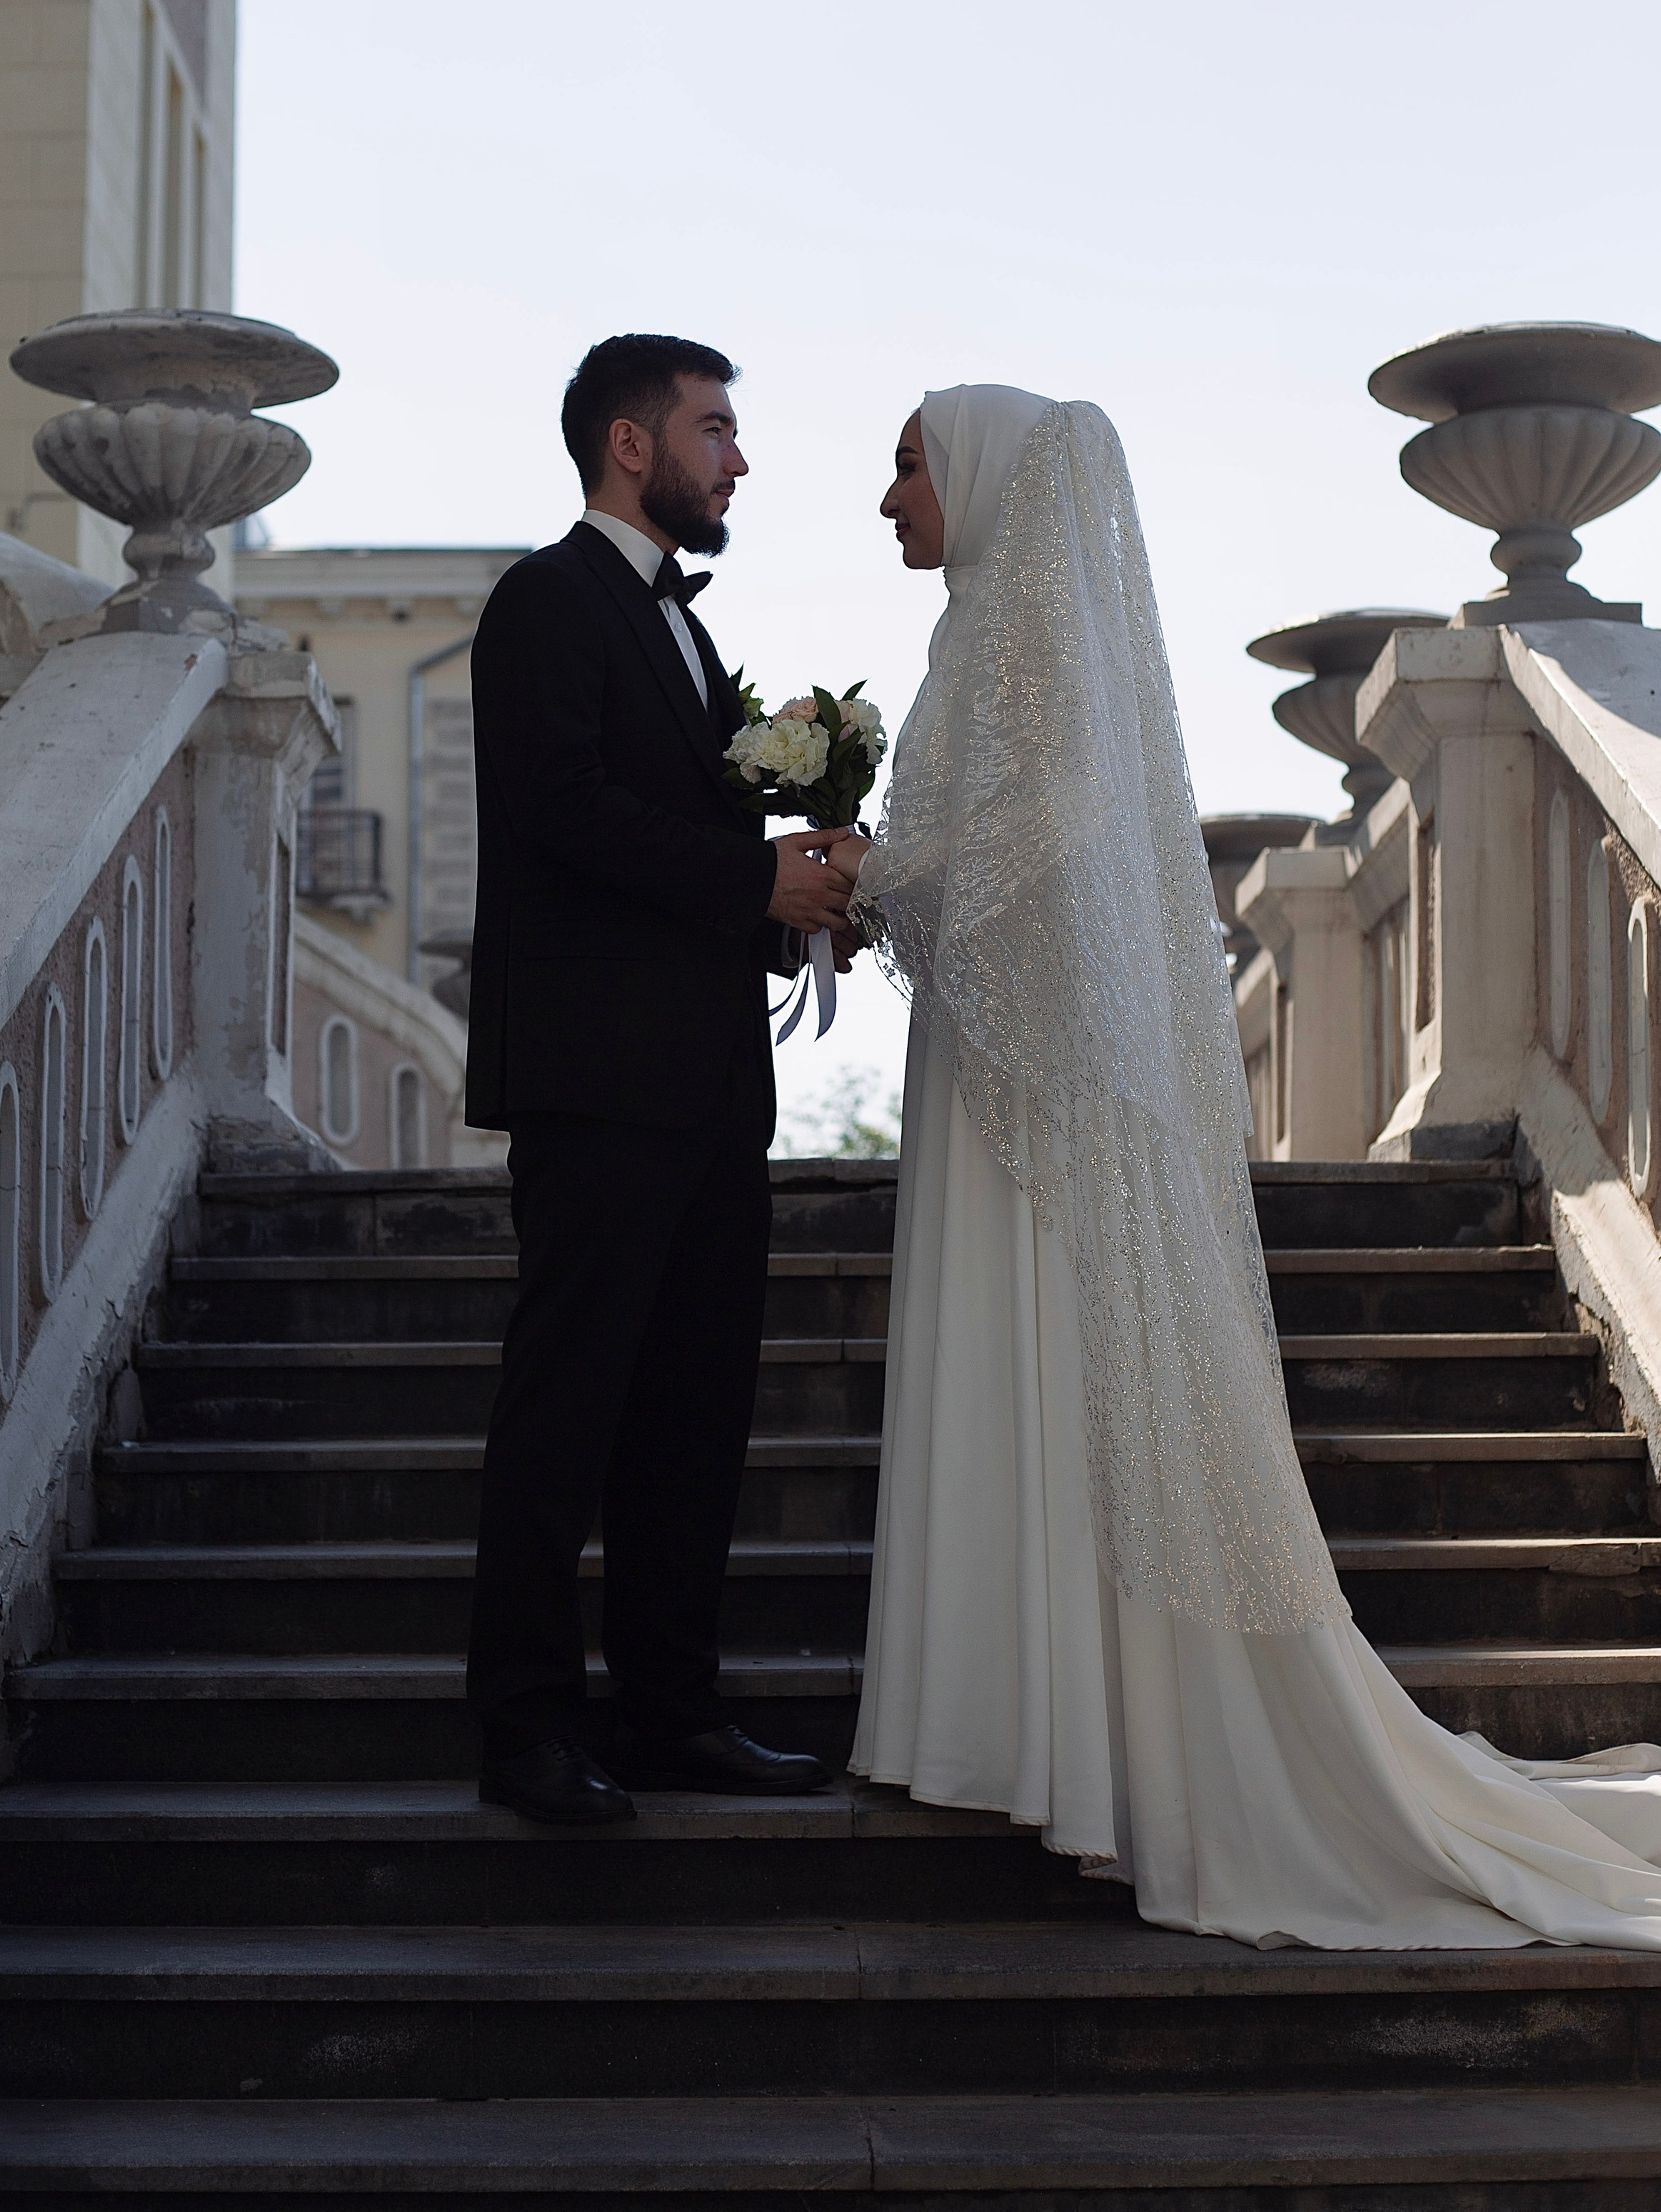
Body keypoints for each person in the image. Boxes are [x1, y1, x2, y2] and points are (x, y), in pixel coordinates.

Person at [824, 383, 1661, 1949]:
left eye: (909, 465)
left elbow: (1032, 841)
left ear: (990, 479)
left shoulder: (1026, 650)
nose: (889, 499)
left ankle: (1067, 1743)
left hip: (1034, 1111)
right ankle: (1018, 1732)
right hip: (1002, 1084)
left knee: (1049, 1386)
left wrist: (866, 873)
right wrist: (881, 875)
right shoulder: (987, 636)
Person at [465, 334, 855, 1827]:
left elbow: (678, 857)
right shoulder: (544, 603)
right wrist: (751, 874)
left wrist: (796, 896)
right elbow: (561, 815)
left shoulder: (687, 636)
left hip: (707, 1087)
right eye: (715, 430)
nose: (735, 459)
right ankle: (523, 1733)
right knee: (565, 1410)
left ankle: (673, 1707)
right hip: (593, 1082)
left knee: (693, 1414)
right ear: (632, 445)